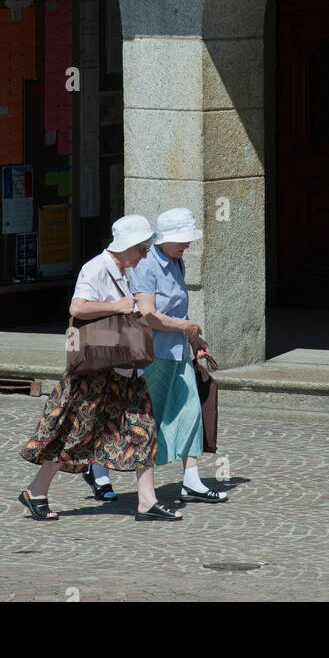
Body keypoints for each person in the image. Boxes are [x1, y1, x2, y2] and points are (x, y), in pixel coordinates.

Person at [17, 214, 182, 522]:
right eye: (142, 249)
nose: (145, 255)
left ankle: (147, 502)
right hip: (95, 371)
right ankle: (36, 491)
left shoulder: (125, 269)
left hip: (124, 369)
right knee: (76, 433)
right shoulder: (96, 267)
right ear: (126, 246)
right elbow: (77, 308)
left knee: (144, 430)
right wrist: (117, 307)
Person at [129, 207, 228, 504]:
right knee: (148, 417)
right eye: (182, 240)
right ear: (164, 239)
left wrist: (195, 339)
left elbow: (179, 310)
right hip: (152, 352)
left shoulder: (176, 261)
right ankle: (100, 469)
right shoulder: (146, 264)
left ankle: (191, 480)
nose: (187, 245)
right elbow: (148, 315)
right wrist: (186, 327)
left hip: (177, 350)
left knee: (190, 411)